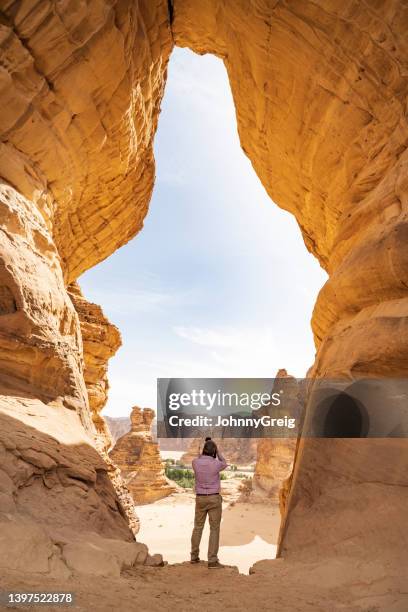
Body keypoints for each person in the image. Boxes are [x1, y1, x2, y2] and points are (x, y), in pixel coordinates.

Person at [190, 437, 227, 568]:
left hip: (200, 498)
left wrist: (206, 446)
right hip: (214, 498)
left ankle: (194, 557)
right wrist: (218, 452)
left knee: (198, 527)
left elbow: (199, 457)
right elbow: (224, 462)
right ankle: (212, 560)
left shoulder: (195, 462)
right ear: (214, 451)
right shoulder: (216, 464)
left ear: (203, 450)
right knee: (214, 529)